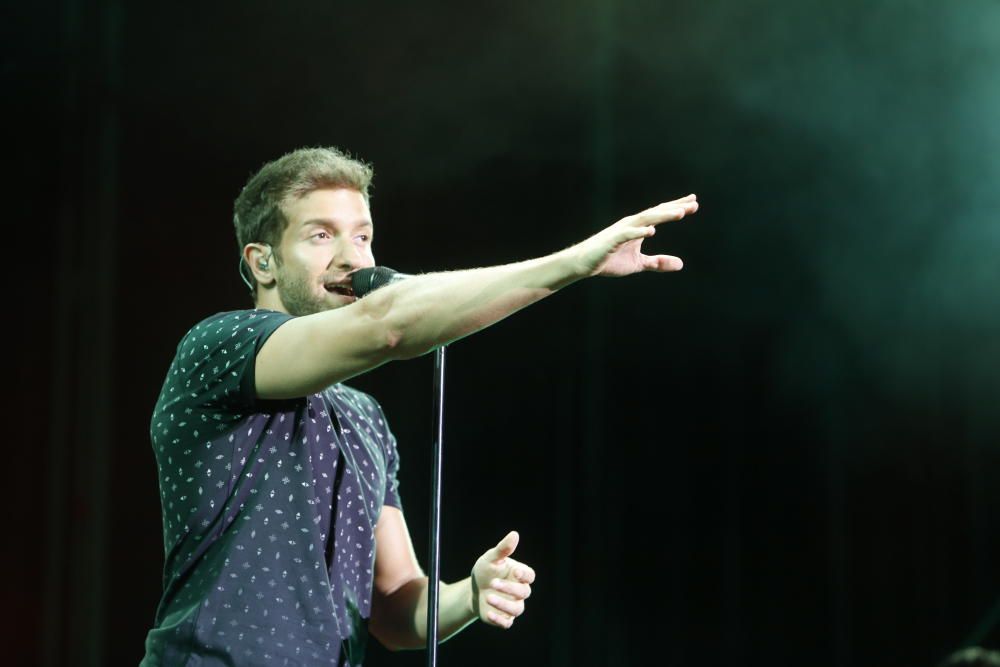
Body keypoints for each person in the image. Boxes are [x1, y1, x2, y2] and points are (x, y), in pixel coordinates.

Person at [140, 146, 698, 666]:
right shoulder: (218, 346)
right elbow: (387, 326)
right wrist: (573, 263)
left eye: (362, 237)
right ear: (262, 262)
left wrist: (467, 597)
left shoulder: (363, 417)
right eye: (319, 236)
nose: (347, 257)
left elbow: (396, 604)